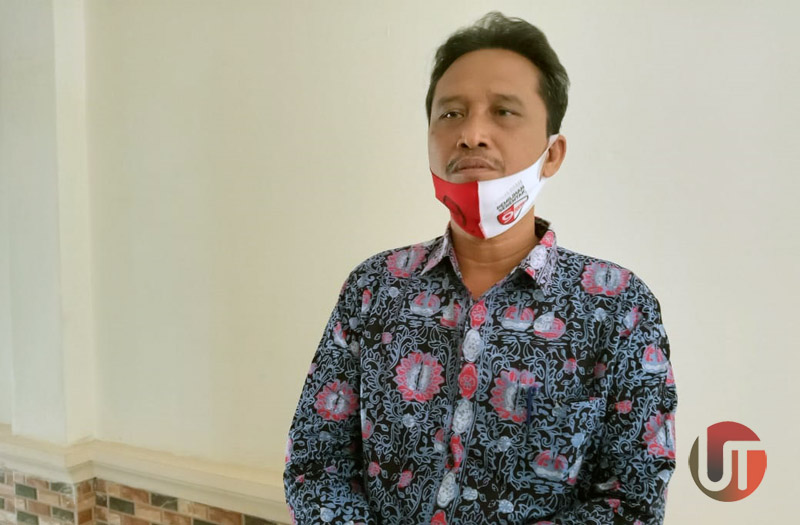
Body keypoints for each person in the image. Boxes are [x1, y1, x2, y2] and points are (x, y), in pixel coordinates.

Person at [284, 11, 677, 525]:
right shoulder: (373, 288)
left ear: (552, 153)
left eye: (504, 112)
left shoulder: (619, 306)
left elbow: (633, 503)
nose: (471, 134)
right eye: (451, 114)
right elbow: (316, 467)